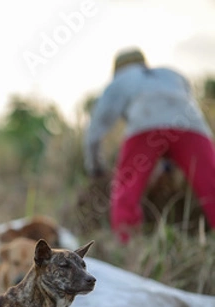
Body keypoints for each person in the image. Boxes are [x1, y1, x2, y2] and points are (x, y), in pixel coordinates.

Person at [84, 47, 215, 243]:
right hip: (192, 127)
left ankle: (126, 243)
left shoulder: (119, 81)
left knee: (126, 190)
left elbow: (95, 130)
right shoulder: (172, 75)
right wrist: (168, 164)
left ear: (117, 69)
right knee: (211, 185)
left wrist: (94, 166)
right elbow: (173, 114)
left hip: (144, 128)